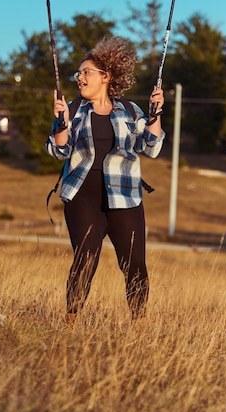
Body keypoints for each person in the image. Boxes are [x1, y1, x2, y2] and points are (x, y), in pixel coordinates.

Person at [45, 35, 165, 323]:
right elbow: (58, 151)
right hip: (82, 197)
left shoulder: (131, 111)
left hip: (125, 197)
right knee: (86, 259)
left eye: (86, 72)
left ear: (106, 77)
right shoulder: (72, 110)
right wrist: (60, 122)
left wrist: (155, 114)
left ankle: (139, 325)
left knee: (135, 264)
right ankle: (71, 322)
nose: (80, 78)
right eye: (78, 73)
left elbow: (151, 147)